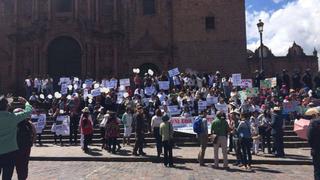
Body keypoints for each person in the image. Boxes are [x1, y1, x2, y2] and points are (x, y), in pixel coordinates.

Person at [0, 96, 32, 180]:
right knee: (7, 177)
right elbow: (28, 111)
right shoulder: (13, 117)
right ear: (7, 106)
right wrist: (26, 102)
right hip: (9, 152)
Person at [14, 108, 36, 180]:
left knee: (23, 166)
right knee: (19, 166)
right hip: (16, 148)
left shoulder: (28, 123)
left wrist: (31, 143)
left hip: (25, 148)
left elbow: (34, 133)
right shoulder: (13, 123)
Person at [306, 108, 320, 180]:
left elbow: (310, 137)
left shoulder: (314, 122)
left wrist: (313, 146)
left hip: (317, 148)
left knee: (318, 169)